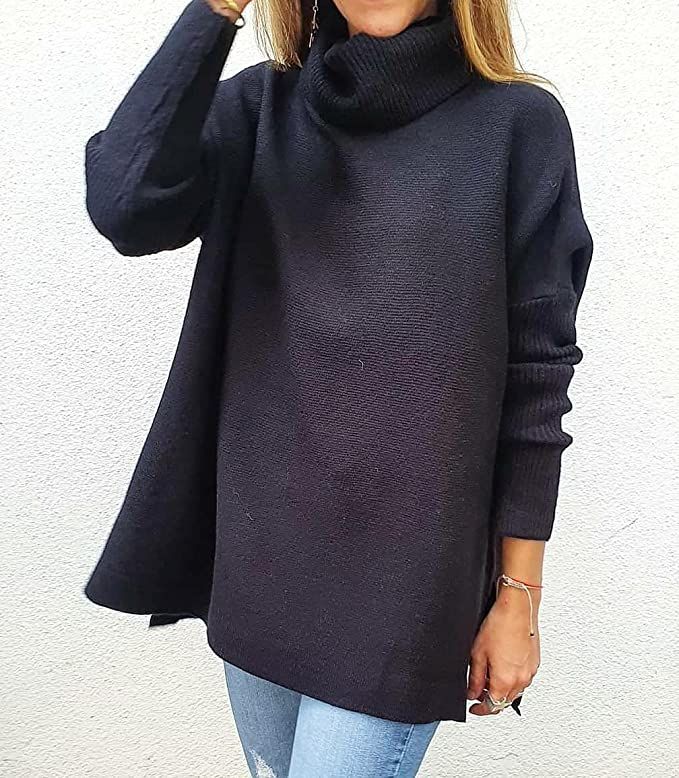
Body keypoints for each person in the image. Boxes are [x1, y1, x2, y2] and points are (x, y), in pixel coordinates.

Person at [82, 0, 594, 775]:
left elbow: (536, 380)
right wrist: (215, 11)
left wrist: (518, 595)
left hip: (403, 589)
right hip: (261, 565)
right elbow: (125, 202)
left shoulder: (517, 126)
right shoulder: (260, 109)